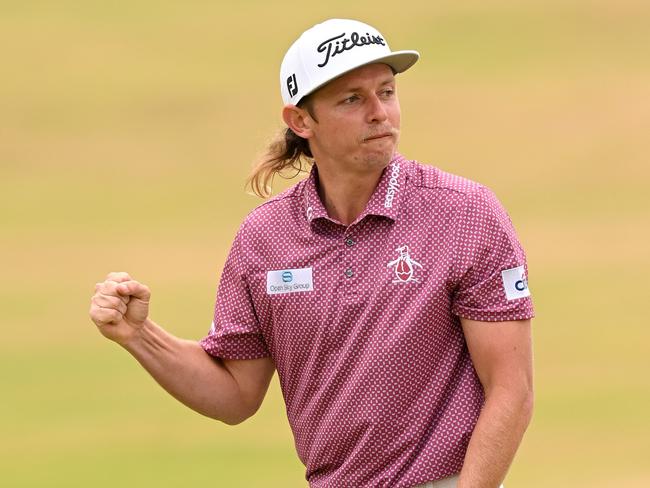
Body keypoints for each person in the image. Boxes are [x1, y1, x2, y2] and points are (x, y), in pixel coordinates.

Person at [89, 18, 534, 488]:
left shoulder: (464, 213)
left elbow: (511, 390)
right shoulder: (264, 239)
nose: (380, 113)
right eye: (352, 99)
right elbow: (237, 395)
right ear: (301, 120)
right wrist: (140, 336)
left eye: (386, 91)